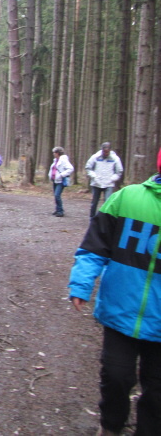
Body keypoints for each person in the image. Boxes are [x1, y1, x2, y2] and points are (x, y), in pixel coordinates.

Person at [68, 147, 161, 436]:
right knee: (116, 376)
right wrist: (81, 283)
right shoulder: (127, 198)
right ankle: (111, 425)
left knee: (157, 389)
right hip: (121, 310)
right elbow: (95, 246)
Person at [85, 142, 124, 219]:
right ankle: (92, 218)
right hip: (96, 183)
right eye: (104, 151)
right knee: (94, 202)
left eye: (107, 152)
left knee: (107, 202)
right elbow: (88, 168)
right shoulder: (95, 157)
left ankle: (105, 219)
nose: (106, 153)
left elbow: (119, 171)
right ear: (102, 150)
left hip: (108, 184)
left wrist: (112, 179)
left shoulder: (115, 158)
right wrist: (94, 176)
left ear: (110, 150)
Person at [49, 146, 74, 217]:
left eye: (54, 152)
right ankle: (57, 209)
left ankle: (60, 211)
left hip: (60, 181)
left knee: (57, 195)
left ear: (57, 153)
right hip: (55, 180)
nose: (53, 154)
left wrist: (61, 175)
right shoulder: (55, 160)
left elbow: (70, 169)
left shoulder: (63, 160)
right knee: (56, 196)